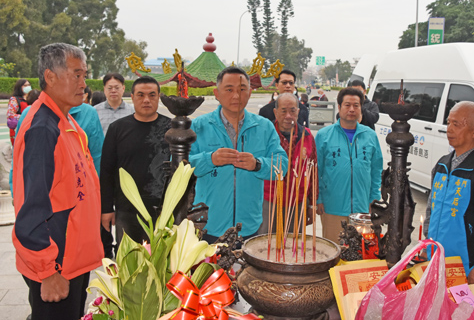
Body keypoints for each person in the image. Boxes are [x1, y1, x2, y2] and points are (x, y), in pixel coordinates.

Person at [12, 43, 103, 320]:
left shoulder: (67, 122)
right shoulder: (42, 129)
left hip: (72, 260)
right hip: (56, 263)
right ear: (50, 77)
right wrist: (47, 271)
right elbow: (30, 207)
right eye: (76, 75)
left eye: (84, 76)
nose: (83, 84)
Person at [190, 67, 288, 242]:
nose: (236, 96)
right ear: (217, 93)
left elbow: (282, 165)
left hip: (249, 226)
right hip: (208, 225)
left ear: (249, 93)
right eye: (229, 90)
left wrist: (257, 164)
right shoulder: (198, 126)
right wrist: (209, 159)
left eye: (242, 89)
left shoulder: (264, 127)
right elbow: (179, 165)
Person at [424, 101, 474, 301]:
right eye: (449, 123)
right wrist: (426, 246)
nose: (449, 129)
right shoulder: (442, 165)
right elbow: (431, 210)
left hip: (466, 269)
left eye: (456, 124)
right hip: (437, 263)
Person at [100, 76, 171, 246]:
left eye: (152, 95)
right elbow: (107, 170)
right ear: (132, 97)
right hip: (127, 210)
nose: (146, 100)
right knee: (129, 264)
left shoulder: (170, 129)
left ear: (159, 97)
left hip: (163, 210)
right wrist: (106, 209)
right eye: (140, 95)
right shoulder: (118, 128)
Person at [316, 87, 383, 244]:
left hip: (362, 209)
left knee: (360, 255)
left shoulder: (370, 136)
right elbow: (316, 170)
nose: (352, 109)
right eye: (347, 105)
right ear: (339, 107)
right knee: (334, 252)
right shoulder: (324, 136)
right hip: (332, 207)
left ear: (361, 108)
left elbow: (376, 169)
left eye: (356, 105)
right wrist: (317, 198)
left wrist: (374, 198)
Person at [258, 93, 318, 234]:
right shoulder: (264, 135)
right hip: (268, 202)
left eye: (292, 111)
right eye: (283, 111)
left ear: (298, 112)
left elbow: (313, 171)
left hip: (297, 203)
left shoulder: (307, 136)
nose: (288, 116)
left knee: (293, 249)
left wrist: (312, 203)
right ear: (275, 112)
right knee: (265, 246)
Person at [7, 79, 31, 145]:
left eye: (29, 85)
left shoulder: (31, 98)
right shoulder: (14, 99)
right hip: (18, 129)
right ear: (19, 87)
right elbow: (10, 114)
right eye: (25, 85)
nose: (28, 87)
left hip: (29, 129)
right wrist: (24, 117)